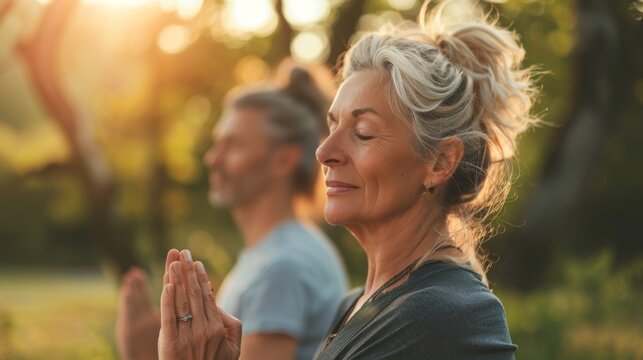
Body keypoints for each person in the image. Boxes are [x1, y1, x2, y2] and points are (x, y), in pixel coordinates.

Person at [157, 2, 541, 359]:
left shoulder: (447, 313)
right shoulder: (356, 305)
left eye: (363, 132)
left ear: (440, 162)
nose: (324, 152)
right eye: (332, 125)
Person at [116, 67, 347, 360]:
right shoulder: (279, 253)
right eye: (217, 143)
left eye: (233, 145)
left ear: (284, 160)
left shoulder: (283, 266)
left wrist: (143, 356)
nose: (212, 158)